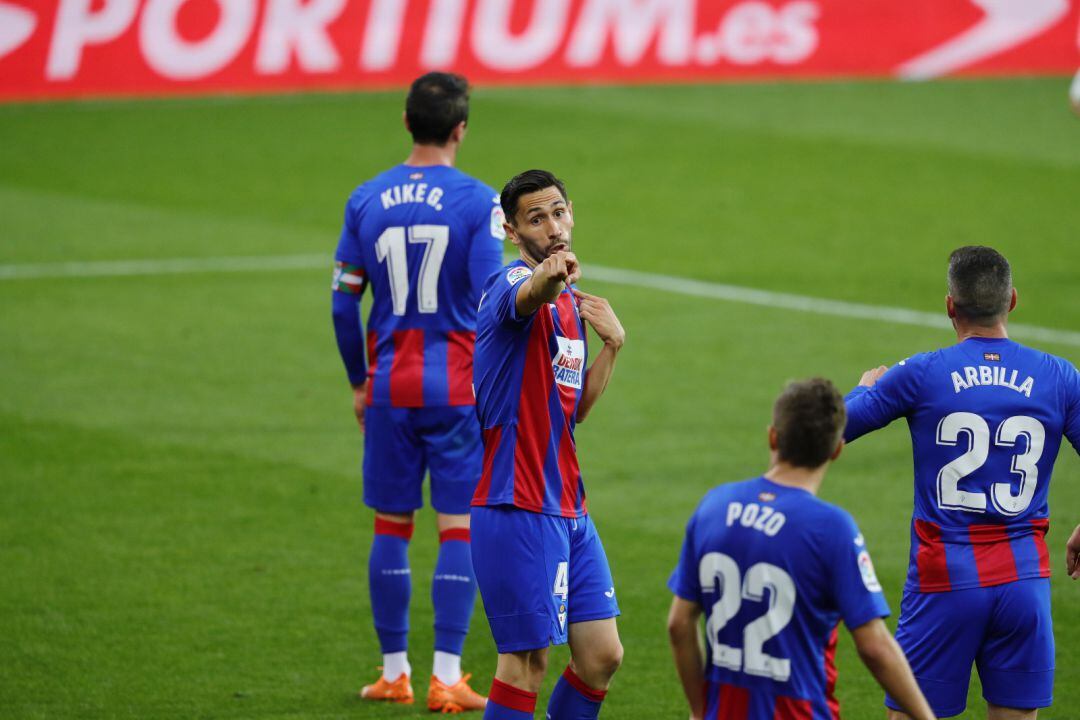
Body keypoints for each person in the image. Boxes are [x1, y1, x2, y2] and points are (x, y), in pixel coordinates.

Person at [844, 246, 1080, 719]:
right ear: (1012, 300)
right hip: (1024, 585)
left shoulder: (922, 373)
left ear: (950, 305)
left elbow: (832, 430)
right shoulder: (1060, 377)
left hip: (944, 581)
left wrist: (865, 388)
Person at [331, 71, 504, 712]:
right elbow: (493, 299)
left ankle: (395, 672)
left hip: (390, 389)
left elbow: (342, 301)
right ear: (461, 129)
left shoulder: (366, 198)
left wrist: (358, 378)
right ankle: (448, 677)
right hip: (457, 388)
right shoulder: (478, 201)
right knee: (458, 526)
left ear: (406, 122)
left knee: (391, 523)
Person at [667, 378, 936, 720]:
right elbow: (874, 646)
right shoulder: (831, 528)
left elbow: (679, 625)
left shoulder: (714, 507)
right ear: (837, 449)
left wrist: (700, 710)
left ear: (773, 437)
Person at [471, 170, 626, 719]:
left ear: (572, 212)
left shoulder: (572, 307)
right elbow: (528, 294)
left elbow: (574, 410)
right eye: (536, 219)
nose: (553, 226)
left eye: (558, 212)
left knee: (602, 655)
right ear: (514, 232)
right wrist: (550, 276)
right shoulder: (509, 286)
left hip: (569, 507)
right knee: (525, 662)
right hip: (518, 503)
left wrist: (611, 346)